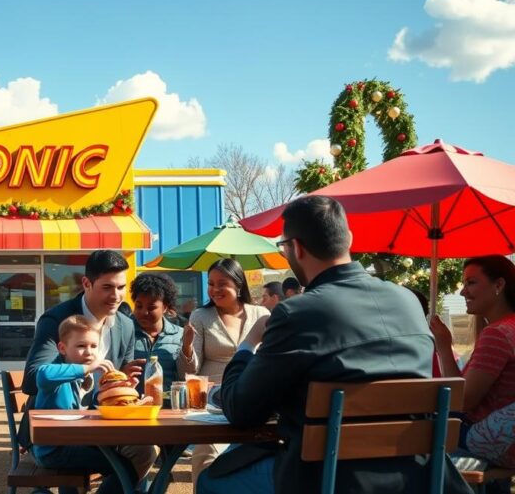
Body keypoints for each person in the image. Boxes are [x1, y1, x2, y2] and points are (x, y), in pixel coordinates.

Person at [197, 195, 472, 494]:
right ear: (348, 239)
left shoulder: (297, 313)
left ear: (296, 248)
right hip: (417, 475)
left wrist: (248, 343)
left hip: (329, 479)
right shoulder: (407, 301)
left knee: (211, 481)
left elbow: (241, 410)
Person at [32, 315, 157, 494]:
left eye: (94, 346)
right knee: (124, 468)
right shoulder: (57, 376)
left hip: (76, 443)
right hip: (54, 449)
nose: (89, 352)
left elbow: (94, 411)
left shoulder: (88, 378)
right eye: (81, 346)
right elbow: (43, 375)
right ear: (62, 348)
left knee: (136, 455)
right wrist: (88, 368)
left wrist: (122, 391)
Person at [180, 258, 270, 484]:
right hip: (213, 401)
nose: (214, 290)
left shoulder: (261, 314)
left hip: (252, 397)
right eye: (210, 284)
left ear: (238, 285)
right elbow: (191, 370)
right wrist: (187, 347)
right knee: (208, 452)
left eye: (222, 284)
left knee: (256, 455)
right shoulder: (200, 316)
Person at [431, 255, 515, 472]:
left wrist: (442, 346)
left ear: (498, 285)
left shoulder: (498, 334)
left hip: (490, 441)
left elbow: (463, 400)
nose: (462, 291)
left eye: (471, 282)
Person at [23, 250, 141, 399]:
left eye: (121, 287)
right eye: (107, 287)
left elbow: (117, 382)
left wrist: (123, 383)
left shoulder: (126, 326)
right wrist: (85, 370)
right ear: (86, 283)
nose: (116, 296)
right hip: (54, 418)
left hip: (102, 417)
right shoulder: (56, 319)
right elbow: (32, 380)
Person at [131, 273, 184, 403]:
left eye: (151, 307)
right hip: (132, 407)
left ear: (165, 307)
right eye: (139, 306)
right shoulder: (124, 333)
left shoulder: (180, 335)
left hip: (170, 409)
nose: (144, 312)